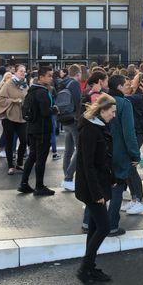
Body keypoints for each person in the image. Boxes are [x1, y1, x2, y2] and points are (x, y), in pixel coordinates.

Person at [75, 94, 117, 285]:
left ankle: (90, 266)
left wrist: (112, 179)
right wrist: (97, 193)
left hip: (99, 183)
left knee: (94, 227)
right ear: (102, 110)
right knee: (104, 227)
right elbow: (87, 164)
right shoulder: (90, 130)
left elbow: (104, 158)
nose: (114, 115)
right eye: (112, 111)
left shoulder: (98, 126)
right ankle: (85, 268)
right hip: (92, 187)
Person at [104, 75, 140, 235]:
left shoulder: (102, 100)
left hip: (102, 151)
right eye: (125, 84)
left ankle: (88, 222)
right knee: (117, 187)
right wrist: (135, 154)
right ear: (119, 87)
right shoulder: (124, 104)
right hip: (119, 152)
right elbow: (129, 132)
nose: (128, 87)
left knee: (100, 186)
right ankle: (112, 224)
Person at [18, 66, 58, 196]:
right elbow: (46, 112)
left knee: (33, 156)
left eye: (51, 75)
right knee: (41, 158)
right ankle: (39, 186)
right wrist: (55, 109)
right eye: (49, 76)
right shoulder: (42, 92)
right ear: (41, 77)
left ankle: (24, 183)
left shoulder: (32, 90)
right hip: (42, 130)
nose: (51, 78)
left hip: (31, 128)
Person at [122, 72, 143, 215]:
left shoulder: (137, 97)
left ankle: (140, 200)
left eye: (134, 79)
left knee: (131, 167)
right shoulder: (136, 96)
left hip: (137, 134)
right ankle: (135, 199)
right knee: (129, 167)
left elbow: (122, 99)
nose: (131, 80)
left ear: (141, 83)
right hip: (135, 134)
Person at [0, 64, 28, 175]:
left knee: (24, 140)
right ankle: (10, 166)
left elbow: (27, 97)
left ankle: (19, 163)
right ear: (15, 72)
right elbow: (0, 100)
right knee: (10, 142)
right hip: (9, 117)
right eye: (20, 71)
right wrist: (13, 101)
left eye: (24, 71)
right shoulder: (8, 84)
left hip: (21, 117)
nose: (23, 73)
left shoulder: (24, 85)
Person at [58, 64, 83, 192]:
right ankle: (68, 178)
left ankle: (67, 178)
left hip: (64, 119)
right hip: (74, 120)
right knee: (80, 149)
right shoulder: (74, 84)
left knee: (68, 150)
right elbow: (79, 102)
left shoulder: (63, 82)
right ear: (78, 73)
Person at [0, 72, 13, 158]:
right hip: (4, 113)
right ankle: (1, 149)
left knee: (8, 132)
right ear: (5, 79)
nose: (9, 79)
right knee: (5, 132)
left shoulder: (11, 87)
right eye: (8, 77)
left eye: (11, 78)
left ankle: (5, 149)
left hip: (10, 113)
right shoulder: (3, 87)